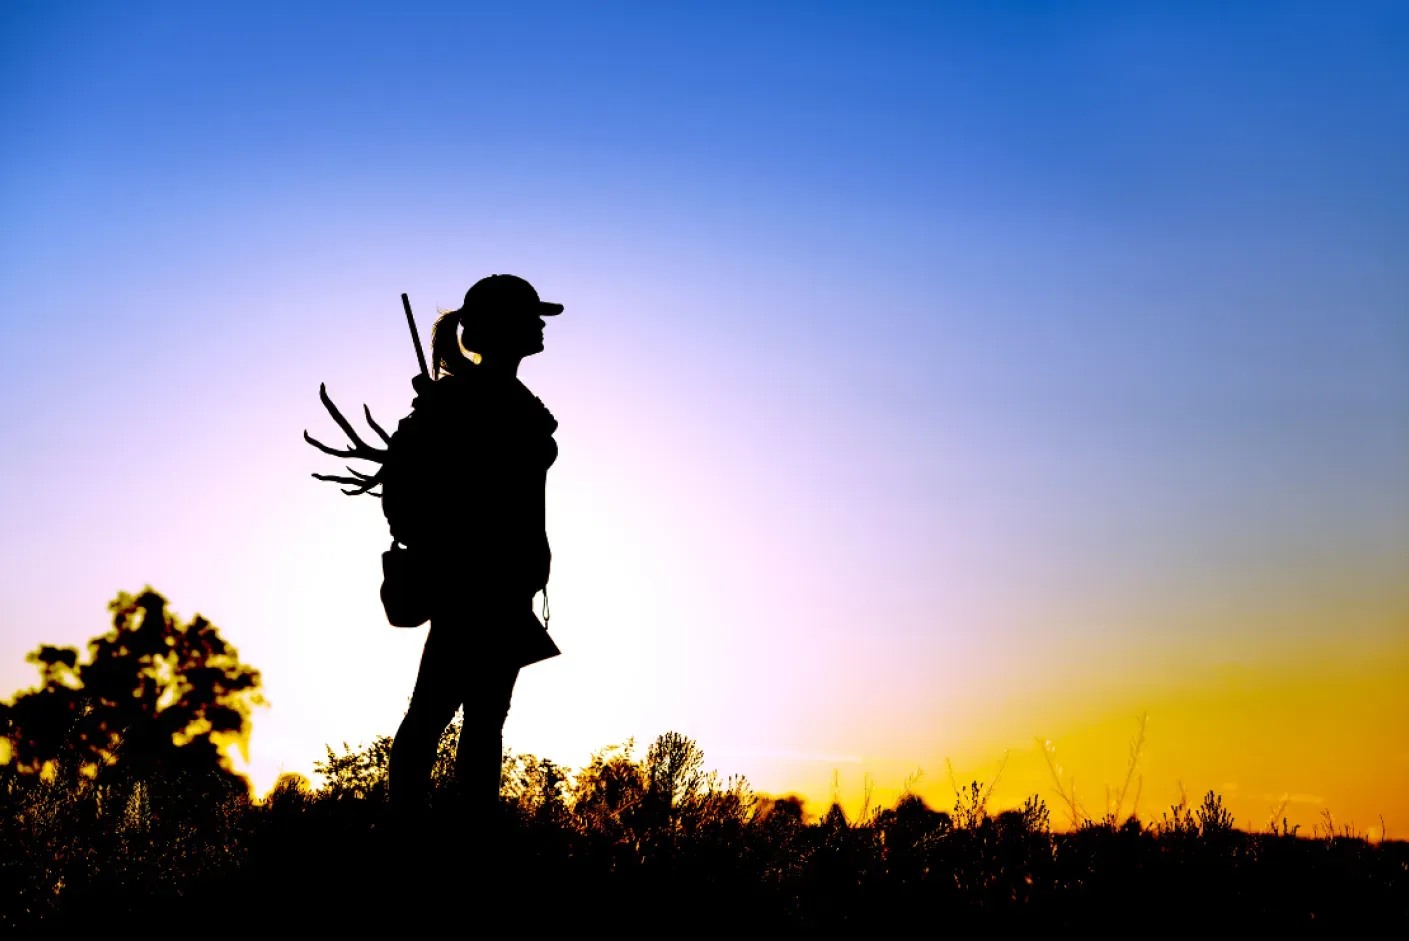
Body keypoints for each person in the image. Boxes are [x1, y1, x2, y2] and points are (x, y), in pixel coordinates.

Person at [385, 273, 564, 825]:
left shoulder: (487, 401)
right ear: (502, 327)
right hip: (474, 591)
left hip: (503, 592)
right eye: (530, 316)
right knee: (442, 723)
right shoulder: (463, 405)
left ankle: (456, 842)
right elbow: (409, 501)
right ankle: (424, 843)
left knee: (477, 724)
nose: (539, 325)